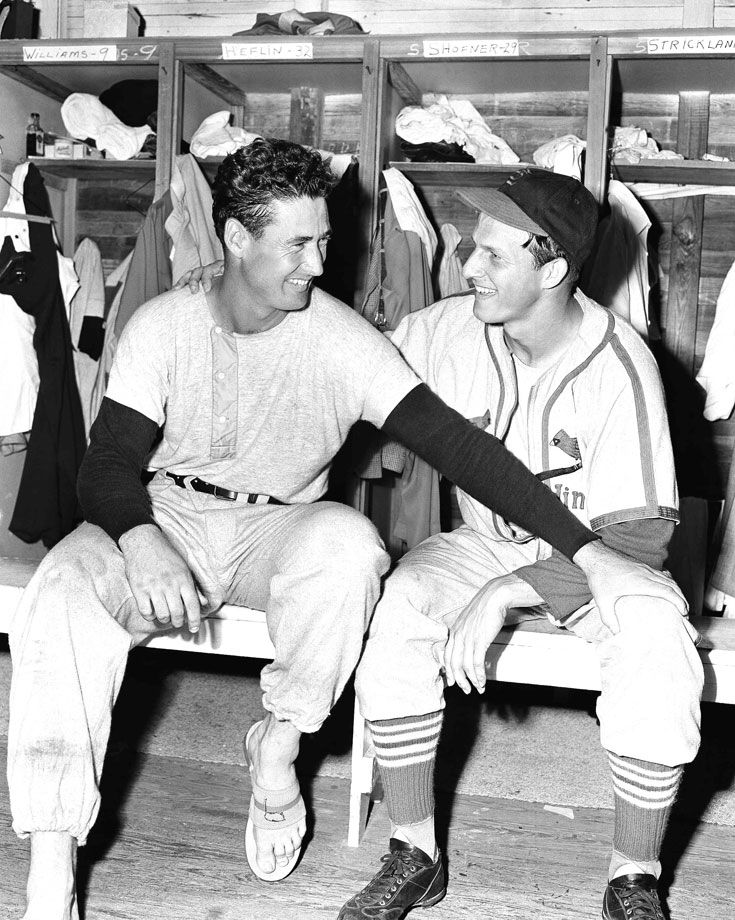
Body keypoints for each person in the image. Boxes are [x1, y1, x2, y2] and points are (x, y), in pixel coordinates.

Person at [7, 142, 687, 920]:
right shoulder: (165, 324)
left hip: (285, 528)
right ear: (234, 238)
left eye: (324, 240)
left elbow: (464, 451)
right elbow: (106, 467)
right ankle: (52, 870)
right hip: (166, 513)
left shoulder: (344, 338)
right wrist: (138, 536)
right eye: (298, 243)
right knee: (61, 590)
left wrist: (588, 555)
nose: (318, 262)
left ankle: (281, 747)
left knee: (351, 548)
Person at [336, 170, 704, 920]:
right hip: (482, 542)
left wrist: (506, 593)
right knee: (402, 604)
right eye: (473, 247)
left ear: (553, 270)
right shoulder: (446, 329)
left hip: (600, 560)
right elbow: (347, 368)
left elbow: (638, 540)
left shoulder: (620, 364)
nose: (468, 266)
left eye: (493, 256)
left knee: (656, 636)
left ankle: (633, 875)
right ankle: (414, 850)